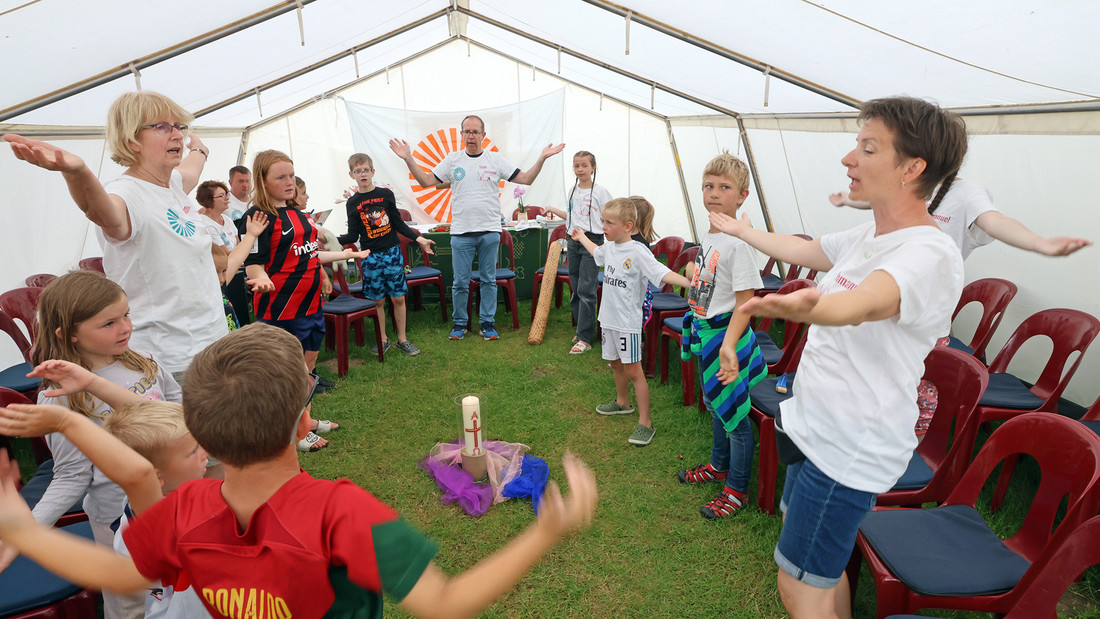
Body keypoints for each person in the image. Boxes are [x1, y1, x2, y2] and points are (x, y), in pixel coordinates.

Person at [0, 322, 599, 619]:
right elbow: (444, 602)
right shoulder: (342, 512)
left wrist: (27, 533)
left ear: (200, 437)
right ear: (304, 418)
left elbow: (118, 573)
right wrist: (546, 531)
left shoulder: (180, 508)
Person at [710, 96, 967, 619]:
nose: (849, 159)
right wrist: (742, 230)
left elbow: (863, 302)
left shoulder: (928, 254)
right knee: (819, 575)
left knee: (798, 586)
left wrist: (810, 308)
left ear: (912, 168)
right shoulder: (872, 233)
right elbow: (806, 250)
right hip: (815, 426)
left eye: (867, 148)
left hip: (848, 447)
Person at [3, 91, 227, 377]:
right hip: (171, 359)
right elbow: (104, 213)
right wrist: (77, 172)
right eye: (162, 127)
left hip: (213, 343)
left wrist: (200, 150)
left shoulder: (171, 182)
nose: (177, 135)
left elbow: (193, 171)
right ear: (132, 140)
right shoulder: (125, 193)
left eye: (179, 127)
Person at [0, 270, 182, 618]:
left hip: (176, 502)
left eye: (126, 314)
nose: (125, 327)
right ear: (68, 333)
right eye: (109, 323)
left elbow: (176, 408)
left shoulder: (140, 358)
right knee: (134, 602)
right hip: (119, 519)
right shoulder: (61, 399)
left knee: (180, 588)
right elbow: (70, 476)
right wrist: (25, 533)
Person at [0, 365, 212, 618]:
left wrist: (90, 383)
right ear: (155, 475)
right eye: (193, 451)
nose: (206, 452)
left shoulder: (154, 502)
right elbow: (139, 475)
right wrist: (66, 421)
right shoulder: (173, 520)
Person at [389, 115, 565, 341]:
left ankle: (487, 324)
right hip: (461, 232)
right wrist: (408, 159)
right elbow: (425, 181)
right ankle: (460, 324)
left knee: (488, 280)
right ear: (461, 134)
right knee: (460, 282)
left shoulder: (495, 160)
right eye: (467, 131)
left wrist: (542, 158)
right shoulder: (452, 160)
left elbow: (526, 179)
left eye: (475, 132)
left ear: (483, 135)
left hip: (490, 231)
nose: (471, 136)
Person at [240, 150, 366, 450]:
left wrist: (344, 255)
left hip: (311, 305)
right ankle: (294, 432)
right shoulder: (257, 216)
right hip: (281, 308)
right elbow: (253, 261)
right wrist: (260, 277)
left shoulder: (298, 213)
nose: (289, 182)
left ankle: (305, 419)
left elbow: (310, 255)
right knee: (288, 374)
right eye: (280, 177)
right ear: (263, 180)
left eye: (291, 176)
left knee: (308, 367)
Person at [676, 153, 767, 520]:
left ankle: (737, 489)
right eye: (708, 186)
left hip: (726, 338)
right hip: (706, 333)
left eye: (724, 187)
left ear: (742, 195)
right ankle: (718, 466)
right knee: (715, 406)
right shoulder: (712, 234)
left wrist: (728, 346)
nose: (714, 194)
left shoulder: (738, 243)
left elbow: (747, 300)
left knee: (735, 416)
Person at [572, 198, 691, 447]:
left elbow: (661, 272)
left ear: (628, 226)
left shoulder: (638, 251)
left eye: (609, 222)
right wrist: (581, 236)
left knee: (634, 371)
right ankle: (622, 402)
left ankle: (645, 422)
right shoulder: (610, 246)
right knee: (615, 363)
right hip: (607, 320)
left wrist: (690, 283)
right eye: (603, 221)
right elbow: (596, 252)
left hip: (627, 323)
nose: (603, 226)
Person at [829, 179, 1090, 259]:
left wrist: (1040, 243)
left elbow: (994, 222)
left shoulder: (967, 193)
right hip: (884, 284)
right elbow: (877, 199)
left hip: (927, 302)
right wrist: (846, 199)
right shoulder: (907, 182)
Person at [337, 153, 436, 356]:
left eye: (366, 170)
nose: (362, 174)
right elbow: (353, 234)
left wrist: (419, 239)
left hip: (392, 253)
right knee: (378, 301)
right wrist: (328, 237)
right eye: (358, 171)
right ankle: (382, 339)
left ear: (373, 172)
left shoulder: (385, 195)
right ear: (351, 174)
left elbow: (399, 224)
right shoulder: (352, 203)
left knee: (398, 298)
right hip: (370, 257)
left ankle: (402, 339)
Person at [544, 151, 612, 354]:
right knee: (575, 288)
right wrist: (555, 210)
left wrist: (609, 242)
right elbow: (572, 215)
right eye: (576, 166)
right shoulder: (572, 190)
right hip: (572, 241)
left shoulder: (601, 192)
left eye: (584, 165)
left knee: (586, 289)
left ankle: (585, 338)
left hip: (592, 240)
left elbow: (609, 216)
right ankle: (584, 328)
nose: (580, 169)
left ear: (593, 168)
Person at [197, 179, 252, 327]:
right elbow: (225, 253)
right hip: (223, 272)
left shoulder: (226, 219)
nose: (227, 198)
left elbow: (238, 244)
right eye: (222, 196)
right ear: (209, 200)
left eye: (226, 194)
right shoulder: (204, 223)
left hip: (237, 268)